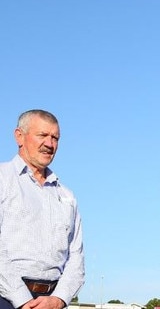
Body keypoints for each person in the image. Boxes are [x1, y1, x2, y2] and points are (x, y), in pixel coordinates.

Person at [0, 109, 85, 309]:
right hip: (6, 298)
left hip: (52, 302)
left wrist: (58, 300)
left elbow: (76, 257)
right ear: (19, 136)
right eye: (43, 135)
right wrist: (23, 299)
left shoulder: (67, 196)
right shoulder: (3, 180)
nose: (50, 144)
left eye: (55, 138)